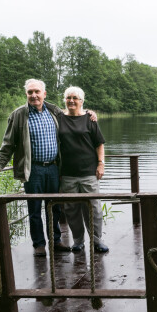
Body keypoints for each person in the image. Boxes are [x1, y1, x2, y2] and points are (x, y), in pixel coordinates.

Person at [0, 79, 96, 257]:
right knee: (34, 209)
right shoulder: (19, 115)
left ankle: (56, 241)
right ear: (26, 94)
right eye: (30, 92)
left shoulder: (54, 111)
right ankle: (39, 244)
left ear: (44, 94)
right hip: (33, 170)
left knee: (55, 207)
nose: (33, 95)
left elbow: (74, 112)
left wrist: (89, 112)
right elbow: (8, 144)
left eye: (37, 92)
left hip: (53, 168)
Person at [57, 86, 109, 253]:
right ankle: (78, 241)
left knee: (93, 208)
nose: (71, 100)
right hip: (67, 173)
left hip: (89, 172)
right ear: (65, 100)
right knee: (72, 210)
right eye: (68, 97)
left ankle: (97, 240)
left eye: (75, 98)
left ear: (81, 101)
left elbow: (99, 143)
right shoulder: (58, 118)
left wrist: (101, 163)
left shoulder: (89, 119)